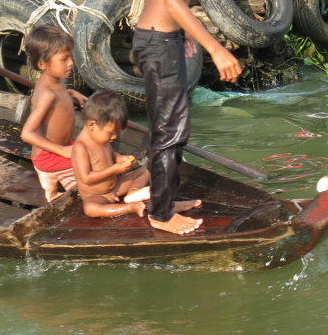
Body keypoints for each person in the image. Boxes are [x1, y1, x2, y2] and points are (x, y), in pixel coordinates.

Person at [135, 0, 242, 235]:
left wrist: (178, 34)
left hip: (159, 39)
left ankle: (163, 196)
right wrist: (216, 47)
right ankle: (160, 214)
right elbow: (173, 2)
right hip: (159, 43)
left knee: (169, 126)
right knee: (171, 130)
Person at [72, 90, 197, 219]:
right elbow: (86, 178)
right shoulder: (80, 147)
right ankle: (129, 207)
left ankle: (132, 194)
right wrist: (114, 169)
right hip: (97, 196)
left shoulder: (102, 138)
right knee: (90, 209)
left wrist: (119, 158)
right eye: (111, 133)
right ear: (92, 125)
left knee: (143, 171)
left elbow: (111, 154)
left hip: (115, 187)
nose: (114, 137)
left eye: (116, 133)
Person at [20, 24, 86, 202]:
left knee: (96, 149)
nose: (71, 62)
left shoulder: (54, 83)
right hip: (49, 156)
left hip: (62, 147)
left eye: (70, 56)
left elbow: (59, 98)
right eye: (64, 59)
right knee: (92, 169)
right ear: (43, 64)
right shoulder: (47, 94)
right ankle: (55, 185)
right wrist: (63, 151)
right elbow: (27, 134)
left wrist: (72, 94)